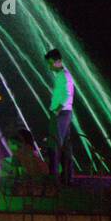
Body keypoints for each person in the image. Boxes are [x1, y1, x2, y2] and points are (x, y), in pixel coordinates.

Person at [45, 48, 75, 184]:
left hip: (61, 113)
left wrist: (56, 111)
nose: (49, 66)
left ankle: (55, 176)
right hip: (64, 113)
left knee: (55, 144)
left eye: (51, 63)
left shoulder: (64, 75)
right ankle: (67, 177)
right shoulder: (62, 75)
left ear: (58, 61)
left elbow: (67, 95)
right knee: (65, 146)